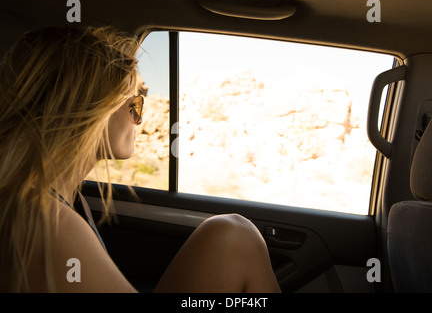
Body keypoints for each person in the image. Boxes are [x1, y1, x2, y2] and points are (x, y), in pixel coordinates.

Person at [0, 26, 280, 293]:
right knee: (236, 235)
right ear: (92, 108)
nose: (140, 118)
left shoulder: (61, 200)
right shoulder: (48, 223)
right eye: (134, 104)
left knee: (234, 233)